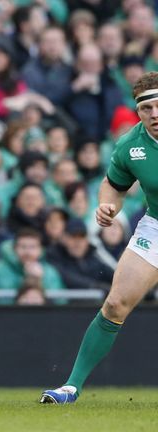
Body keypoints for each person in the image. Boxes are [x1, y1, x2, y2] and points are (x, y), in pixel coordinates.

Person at [41, 72, 158, 404]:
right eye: (146, 108)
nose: (154, 114)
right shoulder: (130, 145)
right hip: (156, 226)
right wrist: (107, 205)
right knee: (115, 304)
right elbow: (114, 185)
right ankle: (71, 386)